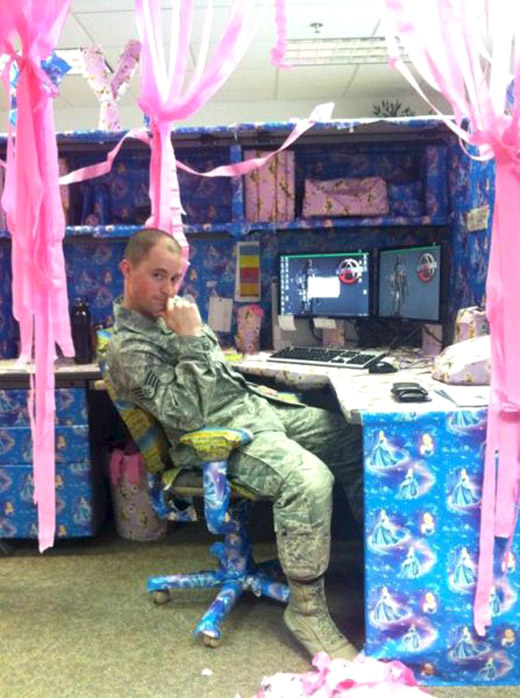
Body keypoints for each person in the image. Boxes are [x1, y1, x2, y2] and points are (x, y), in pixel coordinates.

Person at [106, 228, 363, 661]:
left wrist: (194, 334)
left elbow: (220, 371)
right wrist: (191, 338)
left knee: (354, 440)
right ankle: (306, 611)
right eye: (157, 275)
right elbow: (185, 414)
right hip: (216, 440)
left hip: (255, 410)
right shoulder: (128, 350)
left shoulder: (170, 316)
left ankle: (379, 569)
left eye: (175, 278)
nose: (168, 289)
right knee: (309, 480)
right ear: (127, 270)